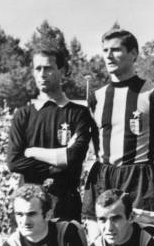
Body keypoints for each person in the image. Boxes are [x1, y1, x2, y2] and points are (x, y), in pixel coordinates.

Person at [82, 28, 154, 238]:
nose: (108, 55)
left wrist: (151, 182)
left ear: (133, 53)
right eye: (105, 50)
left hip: (138, 178)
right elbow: (93, 145)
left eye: (116, 50)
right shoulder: (96, 97)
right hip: (102, 176)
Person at [7, 47, 93, 221]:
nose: (42, 74)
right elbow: (14, 162)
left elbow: (74, 157)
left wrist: (32, 152)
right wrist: (54, 165)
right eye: (38, 69)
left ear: (62, 71)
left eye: (48, 68)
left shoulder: (79, 113)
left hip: (65, 205)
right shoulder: (23, 115)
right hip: (29, 205)